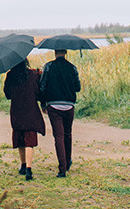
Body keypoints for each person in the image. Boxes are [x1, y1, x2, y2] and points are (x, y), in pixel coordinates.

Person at [38, 48, 81, 177]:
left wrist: (43, 103)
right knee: (68, 134)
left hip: (54, 106)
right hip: (69, 105)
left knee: (59, 136)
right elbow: (77, 88)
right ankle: (67, 162)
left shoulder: (49, 66)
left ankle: (62, 169)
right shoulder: (72, 68)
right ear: (66, 52)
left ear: (54, 52)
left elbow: (42, 87)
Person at [2, 59, 45, 180]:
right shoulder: (31, 74)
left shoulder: (10, 75)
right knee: (29, 141)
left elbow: (7, 94)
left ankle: (23, 165)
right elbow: (37, 92)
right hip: (30, 111)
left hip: (17, 111)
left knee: (20, 138)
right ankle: (29, 170)